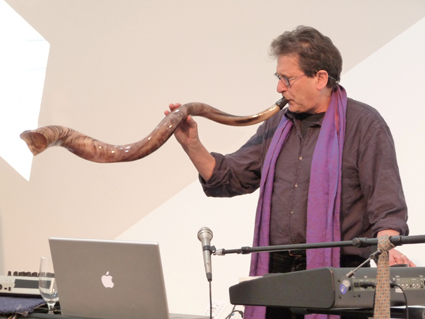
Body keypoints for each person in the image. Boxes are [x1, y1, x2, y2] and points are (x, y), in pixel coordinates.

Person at [167, 26, 415, 319]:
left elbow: (386, 205)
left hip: (338, 273)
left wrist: (388, 249)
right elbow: (229, 178)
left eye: (288, 79)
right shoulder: (275, 126)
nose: (279, 88)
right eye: (278, 78)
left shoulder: (365, 125)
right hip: (277, 276)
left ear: (320, 78)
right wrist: (192, 145)